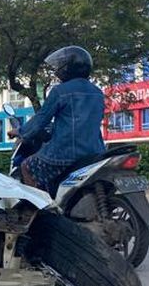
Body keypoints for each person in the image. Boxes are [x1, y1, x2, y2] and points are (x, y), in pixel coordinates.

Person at [9, 45, 106, 194]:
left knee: (26, 166)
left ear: (68, 68)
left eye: (60, 66)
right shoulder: (98, 93)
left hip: (63, 155)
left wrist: (20, 131)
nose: (57, 70)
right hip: (95, 153)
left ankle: (40, 208)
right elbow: (83, 122)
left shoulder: (60, 91)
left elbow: (41, 120)